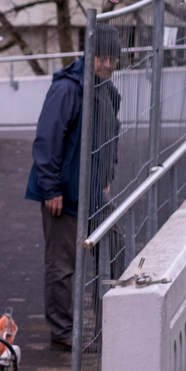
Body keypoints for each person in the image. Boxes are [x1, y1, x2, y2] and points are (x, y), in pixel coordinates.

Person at [25, 24, 122, 351]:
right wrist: (50, 188)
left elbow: (110, 137)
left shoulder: (107, 90)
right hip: (63, 195)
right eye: (103, 57)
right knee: (62, 265)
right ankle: (63, 332)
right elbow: (47, 139)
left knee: (115, 245)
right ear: (91, 55)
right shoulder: (68, 89)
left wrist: (107, 174)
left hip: (94, 192)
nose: (109, 64)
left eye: (114, 59)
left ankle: (112, 318)